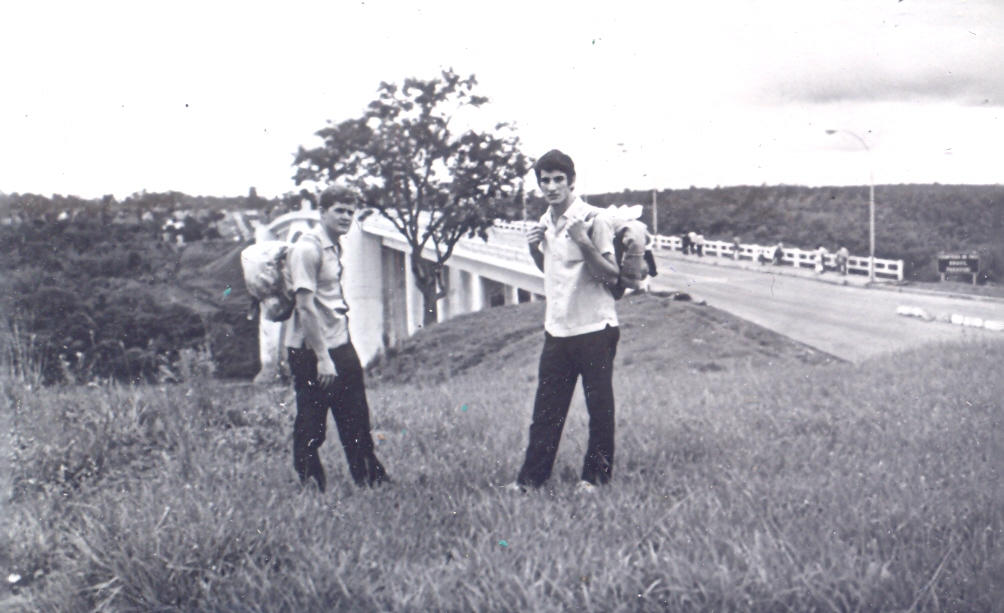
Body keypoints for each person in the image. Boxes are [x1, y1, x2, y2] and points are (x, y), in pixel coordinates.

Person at [507, 150, 621, 495]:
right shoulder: (546, 222)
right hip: (557, 330)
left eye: (559, 179)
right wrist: (533, 250)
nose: (552, 186)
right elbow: (555, 275)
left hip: (594, 329)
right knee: (546, 411)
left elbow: (612, 277)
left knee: (598, 407)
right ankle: (530, 481)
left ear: (572, 181)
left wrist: (584, 242)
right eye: (545, 180)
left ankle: (595, 480)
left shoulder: (592, 219)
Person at [284, 186, 389, 492]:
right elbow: (305, 306)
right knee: (312, 424)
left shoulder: (334, 245)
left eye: (350, 211)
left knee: (356, 417)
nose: (346, 217)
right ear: (322, 212)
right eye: (339, 210)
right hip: (312, 350)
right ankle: (310, 485)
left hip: (339, 343)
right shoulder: (308, 249)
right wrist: (323, 359)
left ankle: (370, 480)